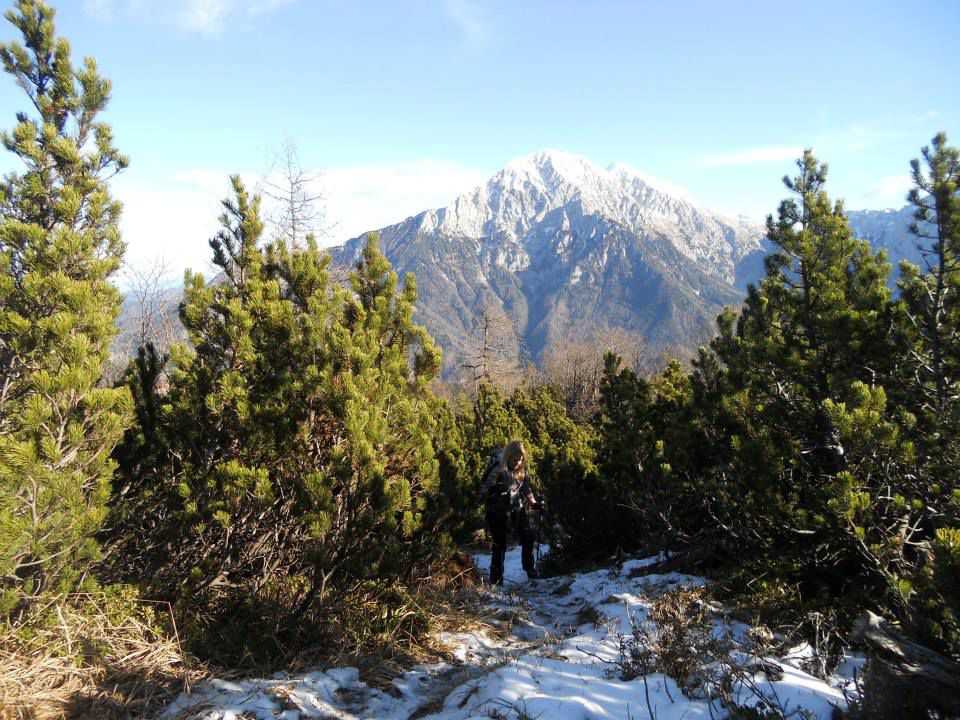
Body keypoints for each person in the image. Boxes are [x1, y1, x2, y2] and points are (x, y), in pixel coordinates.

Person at [483, 440, 539, 586]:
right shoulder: (498, 470)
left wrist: (534, 503)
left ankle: (530, 568)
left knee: (528, 536)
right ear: (508, 457)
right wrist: (496, 493)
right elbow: (484, 488)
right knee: (499, 544)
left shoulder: (522, 469)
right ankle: (496, 580)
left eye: (520, 460)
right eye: (515, 460)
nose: (517, 463)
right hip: (497, 509)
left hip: (516, 506)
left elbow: (525, 487)